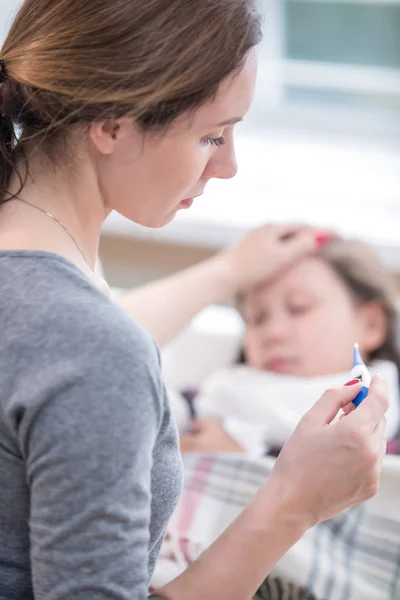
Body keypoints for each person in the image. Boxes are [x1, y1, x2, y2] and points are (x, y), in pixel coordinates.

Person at [0, 2, 388, 599]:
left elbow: (78, 344)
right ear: (112, 125)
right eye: (212, 134)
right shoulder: (91, 348)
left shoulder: (52, 299)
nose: (229, 166)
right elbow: (93, 351)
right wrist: (289, 505)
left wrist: (231, 269)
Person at [173, 238, 400, 455]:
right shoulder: (193, 410)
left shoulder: (390, 449)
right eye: (257, 317)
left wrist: (246, 466)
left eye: (298, 308)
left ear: (371, 325)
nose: (273, 333)